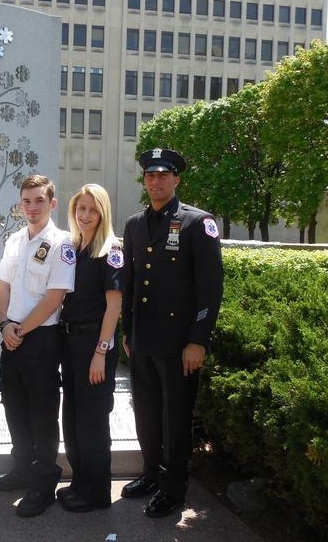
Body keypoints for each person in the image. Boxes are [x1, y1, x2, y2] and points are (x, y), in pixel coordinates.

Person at [120, 148, 224, 518]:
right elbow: (130, 283)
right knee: (146, 414)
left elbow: (210, 288)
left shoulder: (198, 223)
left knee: (175, 419)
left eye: (163, 175)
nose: (156, 181)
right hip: (144, 339)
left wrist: (198, 340)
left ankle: (174, 488)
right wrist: (127, 333)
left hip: (180, 343)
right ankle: (151, 474)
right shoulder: (134, 224)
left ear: (177, 179)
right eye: (150, 175)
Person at [0, 174, 76, 518]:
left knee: (42, 413)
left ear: (52, 203)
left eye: (39, 200)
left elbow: (54, 298)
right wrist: (4, 326)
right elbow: (2, 286)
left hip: (41, 338)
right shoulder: (14, 240)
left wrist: (19, 330)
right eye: (26, 201)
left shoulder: (63, 243)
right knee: (14, 406)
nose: (32, 207)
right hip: (11, 336)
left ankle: (44, 482)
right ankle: (22, 468)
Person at [57, 184, 123, 513]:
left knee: (93, 419)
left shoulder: (111, 250)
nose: (85, 215)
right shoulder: (75, 247)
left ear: (103, 213)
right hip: (71, 342)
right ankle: (81, 481)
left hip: (95, 344)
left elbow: (114, 308)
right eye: (81, 209)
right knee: (73, 415)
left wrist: (100, 352)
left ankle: (97, 493)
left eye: (92, 210)